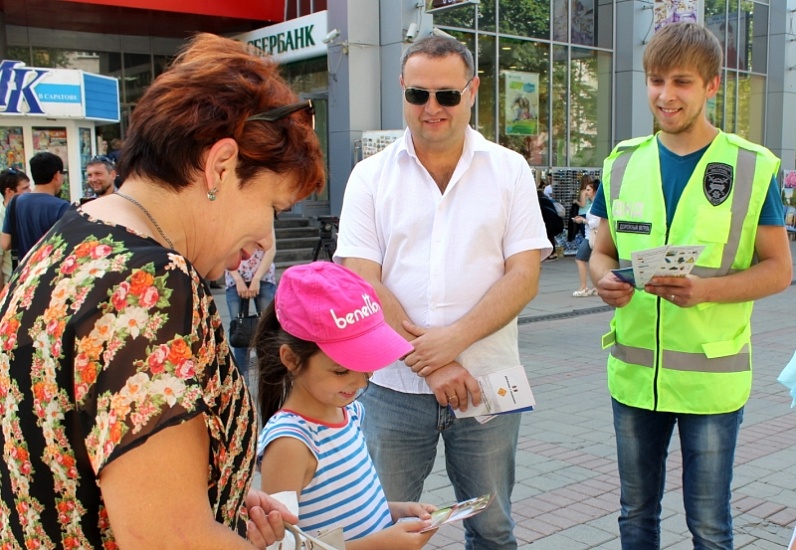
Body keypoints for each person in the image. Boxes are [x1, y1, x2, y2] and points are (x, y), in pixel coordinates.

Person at [0, 33, 325, 549]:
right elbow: (171, 540)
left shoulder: (72, 237)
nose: (268, 239)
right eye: (274, 208)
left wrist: (216, 490)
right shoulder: (148, 284)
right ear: (220, 165)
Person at [334, 35, 551, 549]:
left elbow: (524, 276)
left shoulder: (509, 169)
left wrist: (450, 345)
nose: (432, 108)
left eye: (447, 95)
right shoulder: (369, 176)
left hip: (487, 385)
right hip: (391, 389)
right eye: (418, 95)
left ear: (472, 90)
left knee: (493, 528)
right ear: (403, 91)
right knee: (378, 529)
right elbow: (363, 279)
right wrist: (434, 361)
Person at [589, 22, 792, 549]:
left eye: (682, 82)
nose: (665, 95)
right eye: (656, 80)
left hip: (711, 380)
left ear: (712, 86)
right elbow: (602, 251)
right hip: (634, 377)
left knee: (708, 523)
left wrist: (705, 291)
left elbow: (779, 269)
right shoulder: (622, 162)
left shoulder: (752, 167)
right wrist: (602, 279)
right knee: (635, 515)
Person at [256, 262, 438, 549]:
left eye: (367, 369)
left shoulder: (349, 411)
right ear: (291, 359)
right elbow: (281, 545)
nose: (360, 384)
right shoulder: (291, 442)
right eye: (341, 371)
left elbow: (347, 503)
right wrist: (377, 545)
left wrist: (396, 510)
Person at [0, 152, 69, 261]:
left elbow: (5, 244)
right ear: (56, 175)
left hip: (25, 273)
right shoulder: (62, 207)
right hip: (50, 272)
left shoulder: (15, 202)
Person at [225, 244, 277, 379]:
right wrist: (237, 279)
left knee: (268, 331)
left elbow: (271, 248)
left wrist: (256, 279)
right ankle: (243, 380)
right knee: (239, 333)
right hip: (234, 277)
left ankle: (269, 377)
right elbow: (223, 248)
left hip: (264, 276)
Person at [0, 168, 31, 286]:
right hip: (12, 283)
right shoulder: (1, 215)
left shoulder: (25, 210)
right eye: (25, 188)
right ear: (9, 191)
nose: (30, 191)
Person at [571, 179, 599, 296]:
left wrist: (582, 220)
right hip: (592, 236)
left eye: (588, 190)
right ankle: (595, 287)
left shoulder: (596, 205)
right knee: (593, 261)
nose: (586, 192)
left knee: (580, 259)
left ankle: (584, 287)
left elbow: (595, 223)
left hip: (591, 236)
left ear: (594, 191)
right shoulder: (594, 204)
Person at [537, 180, 564, 261]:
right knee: (550, 236)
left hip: (549, 222)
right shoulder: (546, 199)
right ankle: (552, 253)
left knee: (549, 236)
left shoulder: (540, 201)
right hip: (553, 221)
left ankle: (552, 253)